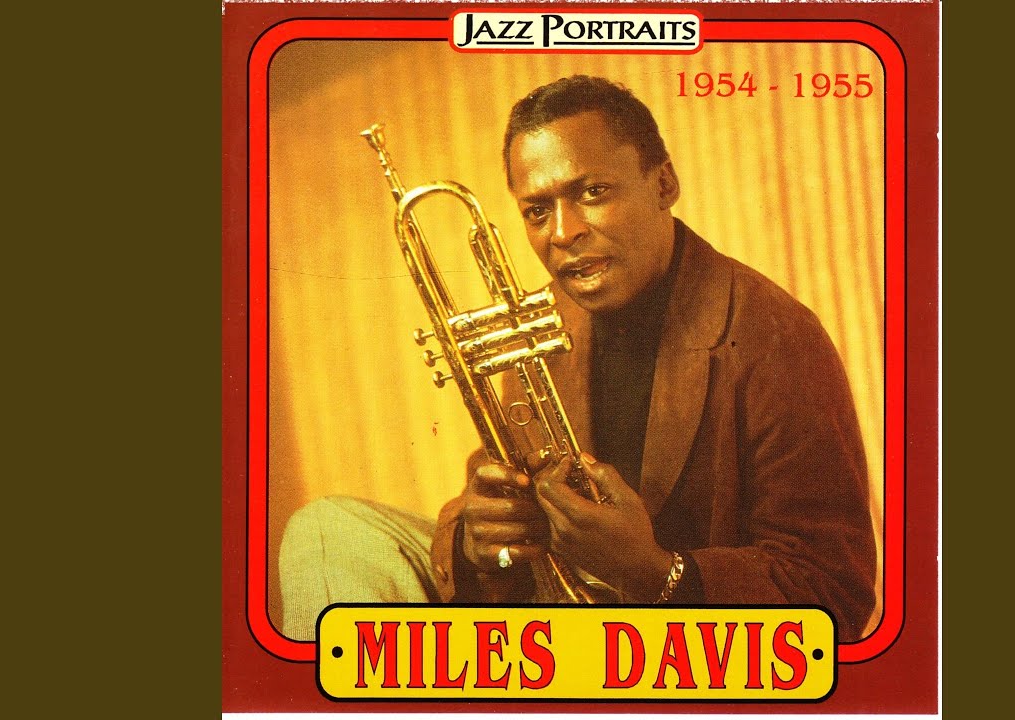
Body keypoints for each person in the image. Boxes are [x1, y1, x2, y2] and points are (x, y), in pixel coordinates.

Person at [280, 75, 876, 642]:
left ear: (664, 185)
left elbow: (833, 593)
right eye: (537, 210)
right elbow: (506, 525)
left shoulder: (774, 334)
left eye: (592, 193)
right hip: (557, 617)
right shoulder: (544, 320)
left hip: (679, 639)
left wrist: (655, 573)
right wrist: (476, 541)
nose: (562, 232)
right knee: (329, 528)